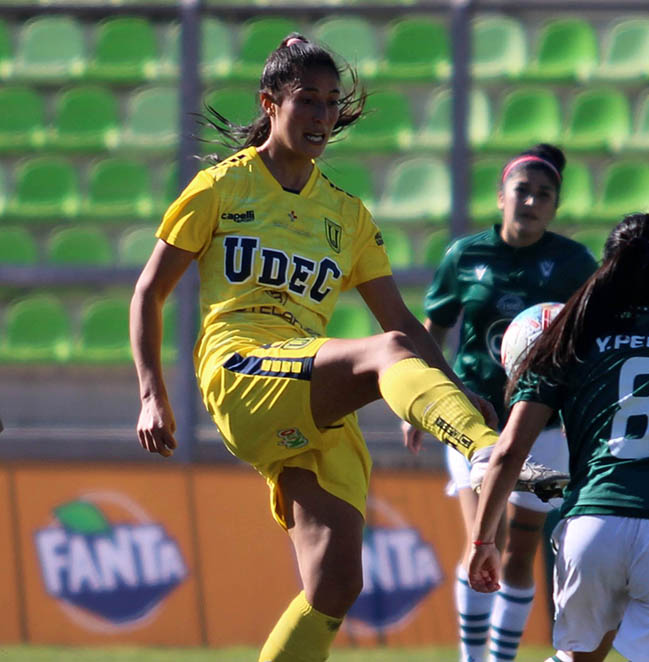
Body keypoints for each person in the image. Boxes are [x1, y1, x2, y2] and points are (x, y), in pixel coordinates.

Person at [130, 34, 525, 662]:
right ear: (270, 102)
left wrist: (451, 386)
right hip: (240, 368)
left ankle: (476, 440)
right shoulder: (219, 189)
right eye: (306, 100)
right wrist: (153, 394)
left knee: (337, 584)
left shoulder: (347, 214)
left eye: (331, 103)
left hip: (307, 389)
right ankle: (486, 451)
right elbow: (148, 291)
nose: (321, 116)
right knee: (385, 352)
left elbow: (403, 320)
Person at [467, 213, 649, 662]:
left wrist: (483, 541)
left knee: (577, 659)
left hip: (592, 529)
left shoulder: (570, 340)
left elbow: (508, 451)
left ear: (604, 270)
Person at [403, 144, 598, 662]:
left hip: (545, 424)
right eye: (522, 191)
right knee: (479, 538)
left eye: (544, 194)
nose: (531, 201)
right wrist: (422, 400)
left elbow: (597, 334)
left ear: (555, 206)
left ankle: (500, 659)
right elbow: (433, 331)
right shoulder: (465, 256)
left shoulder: (575, 263)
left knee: (519, 550)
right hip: (474, 418)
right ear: (500, 196)